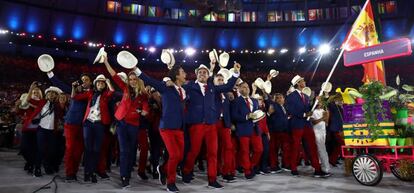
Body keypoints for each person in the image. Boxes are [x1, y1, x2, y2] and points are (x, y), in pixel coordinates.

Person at [182, 63, 240, 189]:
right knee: (194, 151)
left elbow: (229, 85)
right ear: (196, 75)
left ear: (208, 75)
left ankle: (212, 179)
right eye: (200, 72)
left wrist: (235, 73)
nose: (202, 74)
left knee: (213, 153)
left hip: (211, 125)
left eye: (205, 72)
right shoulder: (189, 86)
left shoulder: (213, 87)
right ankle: (186, 171)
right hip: (196, 125)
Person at [134, 65, 186, 193]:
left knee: (179, 156)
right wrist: (135, 68)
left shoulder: (184, 90)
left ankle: (162, 169)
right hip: (166, 127)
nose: (185, 73)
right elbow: (149, 79)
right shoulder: (165, 87)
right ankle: (170, 182)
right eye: (183, 72)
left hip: (179, 128)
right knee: (174, 155)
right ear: (177, 75)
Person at [103, 57, 149, 188]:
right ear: (128, 81)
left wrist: (143, 112)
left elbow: (146, 111)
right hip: (121, 123)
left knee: (130, 151)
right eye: (131, 79)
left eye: (135, 79)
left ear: (138, 80)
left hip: (134, 125)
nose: (133, 81)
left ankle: (127, 171)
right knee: (124, 150)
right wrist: (106, 61)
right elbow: (113, 75)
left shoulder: (143, 95)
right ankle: (125, 176)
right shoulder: (125, 89)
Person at [46, 71, 93, 181]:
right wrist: (50, 72)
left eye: (86, 79)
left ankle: (74, 172)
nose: (84, 81)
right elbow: (59, 84)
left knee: (78, 151)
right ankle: (69, 173)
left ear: (91, 82)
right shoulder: (74, 90)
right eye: (82, 80)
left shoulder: (94, 92)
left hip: (84, 126)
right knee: (70, 148)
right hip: (71, 123)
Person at [71, 74, 114, 183]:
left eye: (102, 83)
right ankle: (87, 172)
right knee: (88, 149)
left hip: (99, 124)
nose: (101, 83)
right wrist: (73, 88)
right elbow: (74, 97)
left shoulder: (106, 95)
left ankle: (93, 172)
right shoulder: (90, 93)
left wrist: (108, 82)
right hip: (88, 124)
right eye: (99, 82)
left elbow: (112, 91)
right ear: (95, 84)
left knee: (96, 150)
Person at [286, 75, 330, 178]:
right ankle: (293, 168)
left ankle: (317, 169)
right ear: (298, 83)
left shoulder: (305, 96)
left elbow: (309, 108)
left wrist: (316, 102)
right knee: (296, 147)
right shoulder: (291, 96)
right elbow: (290, 110)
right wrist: (304, 115)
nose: (304, 82)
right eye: (302, 81)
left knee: (312, 146)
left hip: (306, 124)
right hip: (297, 124)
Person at [231, 81, 263, 180]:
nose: (246, 89)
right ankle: (247, 171)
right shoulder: (236, 101)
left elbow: (257, 114)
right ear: (239, 90)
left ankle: (251, 166)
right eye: (243, 87)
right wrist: (246, 116)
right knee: (245, 151)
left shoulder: (254, 101)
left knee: (259, 149)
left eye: (247, 87)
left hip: (255, 129)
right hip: (243, 129)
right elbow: (234, 116)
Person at [31, 85, 64, 177]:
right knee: (41, 149)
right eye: (50, 93)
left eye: (54, 93)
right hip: (41, 129)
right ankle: (37, 168)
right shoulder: (42, 102)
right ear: (47, 94)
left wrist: (59, 104)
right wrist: (31, 89)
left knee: (51, 150)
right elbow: (30, 100)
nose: (51, 95)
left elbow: (61, 116)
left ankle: (47, 166)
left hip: (52, 131)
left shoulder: (57, 105)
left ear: (56, 96)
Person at [213, 72, 236, 183]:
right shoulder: (211, 92)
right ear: (214, 81)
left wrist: (230, 123)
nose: (221, 81)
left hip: (225, 124)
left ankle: (226, 172)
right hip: (214, 123)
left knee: (228, 147)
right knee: (214, 149)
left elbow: (228, 111)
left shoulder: (227, 95)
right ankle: (216, 170)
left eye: (222, 80)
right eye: (218, 80)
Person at [18, 83, 43, 175]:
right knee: (24, 149)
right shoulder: (27, 103)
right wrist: (31, 88)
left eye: (37, 92)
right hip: (27, 129)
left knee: (36, 149)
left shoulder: (43, 103)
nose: (36, 94)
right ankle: (30, 162)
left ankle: (33, 166)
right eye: (34, 92)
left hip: (39, 130)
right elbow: (19, 112)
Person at [267, 93, 291, 173]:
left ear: (284, 99)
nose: (280, 99)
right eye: (277, 98)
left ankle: (285, 164)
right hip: (275, 131)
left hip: (284, 131)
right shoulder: (274, 105)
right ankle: (274, 166)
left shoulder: (284, 107)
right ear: (275, 99)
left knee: (286, 149)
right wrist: (265, 92)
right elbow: (269, 101)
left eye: (281, 97)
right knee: (274, 149)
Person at [310, 101, 331, 176]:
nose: (320, 104)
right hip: (316, 132)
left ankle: (321, 168)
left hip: (323, 132)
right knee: (321, 150)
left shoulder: (323, 111)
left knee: (321, 150)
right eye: (318, 102)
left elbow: (327, 123)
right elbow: (313, 122)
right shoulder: (313, 111)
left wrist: (327, 116)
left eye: (321, 102)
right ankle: (324, 168)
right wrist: (323, 118)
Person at [327, 94, 344, 166]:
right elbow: (328, 104)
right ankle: (333, 159)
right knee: (341, 144)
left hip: (340, 128)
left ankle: (333, 160)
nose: (341, 101)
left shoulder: (339, 107)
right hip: (336, 128)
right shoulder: (333, 106)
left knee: (338, 145)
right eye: (340, 99)